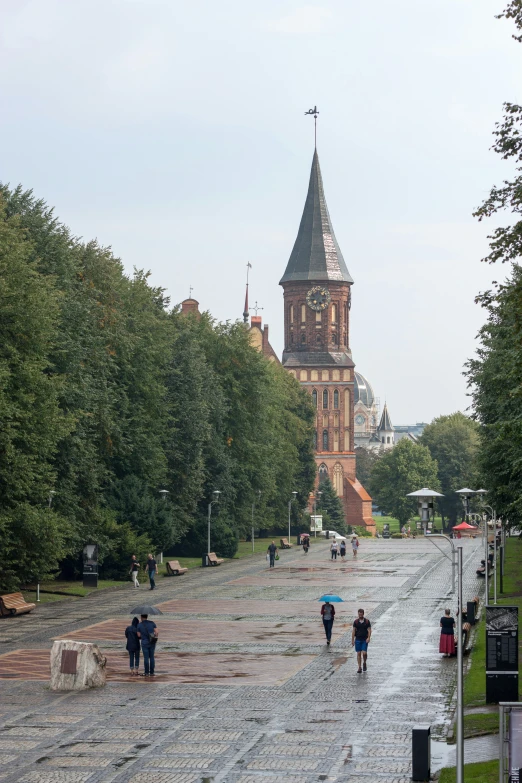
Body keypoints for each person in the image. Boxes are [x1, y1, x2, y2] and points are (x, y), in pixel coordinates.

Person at [352, 608, 371, 673]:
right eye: (359, 614)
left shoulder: (367, 622)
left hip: (364, 640)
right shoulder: (356, 622)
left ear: (363, 614)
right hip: (358, 639)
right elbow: (353, 631)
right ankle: (359, 667)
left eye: (361, 614)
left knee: (364, 653)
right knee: (359, 653)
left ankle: (364, 662)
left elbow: (369, 630)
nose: (360, 615)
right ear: (358, 614)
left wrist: (368, 637)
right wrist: (352, 640)